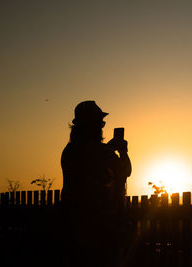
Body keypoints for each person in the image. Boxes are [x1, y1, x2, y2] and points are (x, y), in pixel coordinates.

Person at [60, 100, 131, 267]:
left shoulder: (69, 151)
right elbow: (125, 170)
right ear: (90, 125)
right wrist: (122, 151)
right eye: (100, 123)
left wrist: (108, 148)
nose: (101, 127)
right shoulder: (101, 151)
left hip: (73, 226)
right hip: (98, 229)